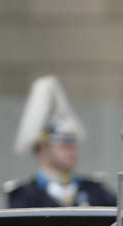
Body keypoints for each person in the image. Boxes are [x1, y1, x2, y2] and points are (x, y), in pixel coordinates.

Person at [7, 75, 115, 208]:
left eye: (74, 143)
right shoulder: (24, 196)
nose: (73, 150)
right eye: (64, 144)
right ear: (42, 148)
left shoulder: (96, 191)